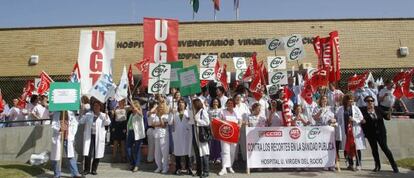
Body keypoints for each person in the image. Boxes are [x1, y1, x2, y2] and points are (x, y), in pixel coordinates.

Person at [360, 96, 399, 173]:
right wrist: (362, 121)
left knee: (385, 148)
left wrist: (390, 112)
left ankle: (394, 165)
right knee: (374, 150)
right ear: (366, 102)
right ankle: (377, 166)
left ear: (373, 102)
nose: (370, 102)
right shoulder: (363, 111)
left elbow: (387, 118)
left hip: (381, 133)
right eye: (368, 101)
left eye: (371, 101)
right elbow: (361, 120)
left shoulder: (378, 109)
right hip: (371, 134)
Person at [80, 100, 111, 175]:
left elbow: (108, 123)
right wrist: (82, 113)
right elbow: (81, 121)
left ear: (100, 107)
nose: (96, 107)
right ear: (93, 107)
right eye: (95, 106)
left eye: (97, 106)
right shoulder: (88, 114)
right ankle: (86, 169)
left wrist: (106, 116)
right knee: (88, 153)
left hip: (98, 137)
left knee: (97, 153)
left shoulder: (103, 115)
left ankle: (94, 169)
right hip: (89, 136)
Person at [336, 94, 366, 171]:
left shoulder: (356, 108)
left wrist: (354, 119)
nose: (351, 101)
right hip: (345, 131)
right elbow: (338, 120)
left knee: (356, 147)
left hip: (354, 130)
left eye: (352, 100)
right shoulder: (340, 109)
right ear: (345, 101)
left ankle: (358, 164)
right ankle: (350, 164)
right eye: (349, 100)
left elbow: (361, 118)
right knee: (347, 148)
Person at [50, 111, 83, 178]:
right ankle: (57, 174)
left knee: (71, 156)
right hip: (58, 137)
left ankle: (75, 173)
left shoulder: (71, 113)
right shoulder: (56, 113)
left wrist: (72, 134)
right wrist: (59, 129)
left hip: (68, 137)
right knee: (56, 156)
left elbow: (75, 124)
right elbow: (53, 125)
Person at [169, 99, 192, 175]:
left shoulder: (188, 112)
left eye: (182, 103)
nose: (181, 104)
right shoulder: (175, 113)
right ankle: (178, 168)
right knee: (178, 152)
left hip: (186, 135)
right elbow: (169, 122)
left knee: (187, 152)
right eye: (180, 103)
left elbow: (192, 121)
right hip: (178, 135)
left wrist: (190, 118)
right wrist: (170, 113)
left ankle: (189, 168)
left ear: (185, 104)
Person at [218, 99, 240, 176]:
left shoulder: (236, 112)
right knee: (225, 151)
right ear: (226, 104)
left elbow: (240, 121)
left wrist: (239, 125)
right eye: (228, 103)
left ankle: (230, 166)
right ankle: (224, 168)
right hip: (224, 135)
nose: (230, 104)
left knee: (232, 151)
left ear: (233, 104)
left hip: (234, 135)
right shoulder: (222, 112)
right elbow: (218, 121)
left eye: (231, 103)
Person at [189, 98, 210, 177]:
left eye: (193, 104)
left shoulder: (203, 111)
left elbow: (207, 122)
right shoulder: (194, 112)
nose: (192, 106)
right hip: (195, 135)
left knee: (204, 153)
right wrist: (191, 120)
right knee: (197, 154)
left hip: (201, 135)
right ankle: (199, 171)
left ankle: (206, 171)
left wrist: (197, 121)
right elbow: (192, 122)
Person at [148, 99, 170, 174]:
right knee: (157, 152)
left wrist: (159, 120)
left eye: (161, 107)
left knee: (164, 152)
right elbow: (151, 124)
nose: (160, 108)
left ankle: (165, 167)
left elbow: (163, 125)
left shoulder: (166, 115)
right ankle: (159, 167)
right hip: (156, 135)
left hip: (164, 135)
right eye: (159, 107)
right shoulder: (154, 115)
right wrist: (155, 108)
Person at [126, 100, 146, 172]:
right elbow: (128, 125)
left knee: (137, 150)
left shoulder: (139, 114)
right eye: (132, 106)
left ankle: (136, 165)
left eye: (134, 106)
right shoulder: (131, 115)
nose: (132, 108)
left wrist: (136, 108)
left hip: (137, 133)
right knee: (128, 148)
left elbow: (141, 114)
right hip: (130, 132)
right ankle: (132, 163)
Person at [233, 94, 250, 162]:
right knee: (235, 144)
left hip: (244, 126)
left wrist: (246, 122)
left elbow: (248, 114)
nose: (238, 98)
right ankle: (234, 159)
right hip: (235, 126)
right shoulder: (233, 106)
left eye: (239, 97)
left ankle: (245, 159)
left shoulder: (244, 105)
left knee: (244, 143)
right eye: (236, 97)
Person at [208, 98, 222, 164]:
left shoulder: (220, 110)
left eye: (216, 102)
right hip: (211, 129)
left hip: (219, 129)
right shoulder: (209, 111)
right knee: (211, 144)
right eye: (214, 102)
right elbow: (208, 121)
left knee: (218, 144)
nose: (215, 103)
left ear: (218, 103)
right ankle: (212, 158)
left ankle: (218, 158)